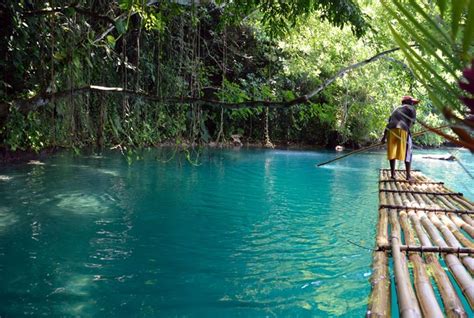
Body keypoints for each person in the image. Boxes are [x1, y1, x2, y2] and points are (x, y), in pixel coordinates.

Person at [381, 95, 420, 181]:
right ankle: (408, 176)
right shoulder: (411, 108)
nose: (413, 104)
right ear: (409, 103)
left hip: (390, 130)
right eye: (412, 102)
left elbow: (389, 122)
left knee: (392, 152)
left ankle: (393, 175)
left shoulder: (396, 109)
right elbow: (410, 123)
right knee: (408, 152)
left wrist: (384, 137)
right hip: (402, 129)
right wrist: (408, 133)